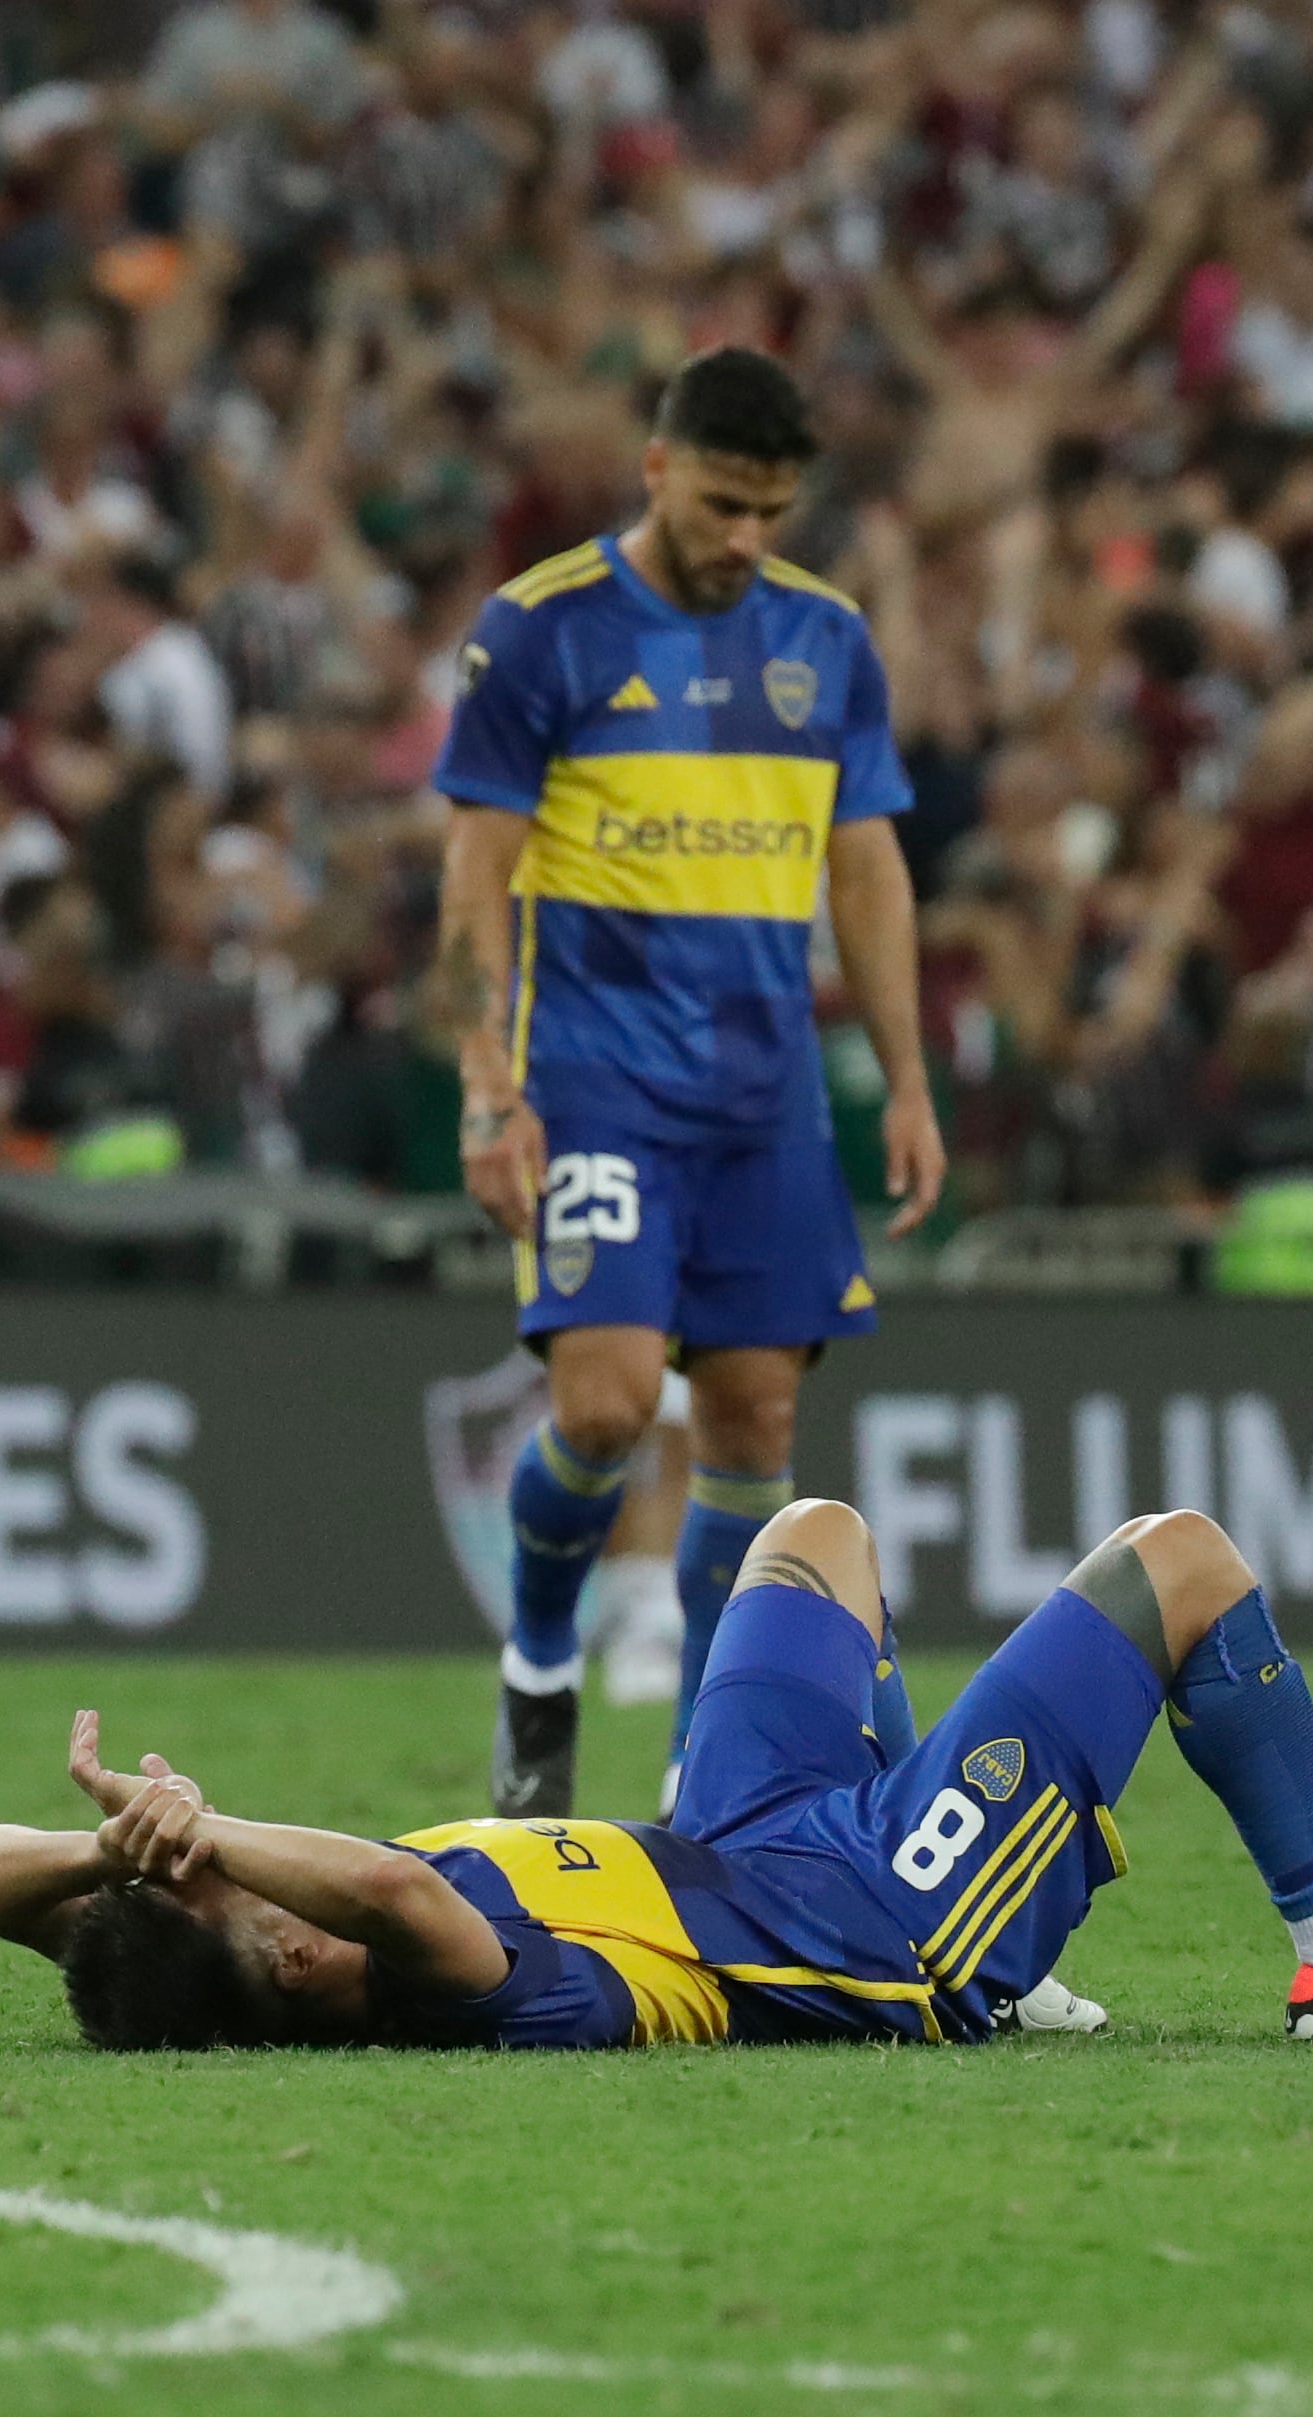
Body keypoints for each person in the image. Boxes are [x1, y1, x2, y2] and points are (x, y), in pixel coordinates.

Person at [0, 1501, 1313, 2055]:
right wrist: (201, 1826)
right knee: (1181, 1564)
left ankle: (1036, 1960)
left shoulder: (233, 1957)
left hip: (740, 1834)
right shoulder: (433, 1975)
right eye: (221, 1883)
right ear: (289, 1954)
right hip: (872, 1922)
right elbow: (390, 1878)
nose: (219, 1858)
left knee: (814, 1539)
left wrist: (115, 1851)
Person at [427, 347, 944, 1822]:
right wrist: (486, 1087)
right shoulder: (544, 633)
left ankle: (700, 1780)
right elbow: (476, 882)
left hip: (763, 1093)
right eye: (722, 503)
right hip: (595, 1081)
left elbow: (868, 866)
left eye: (772, 511)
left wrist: (905, 1080)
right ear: (656, 469)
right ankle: (539, 1660)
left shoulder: (827, 641)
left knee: (753, 1427)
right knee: (597, 1405)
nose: (744, 540)